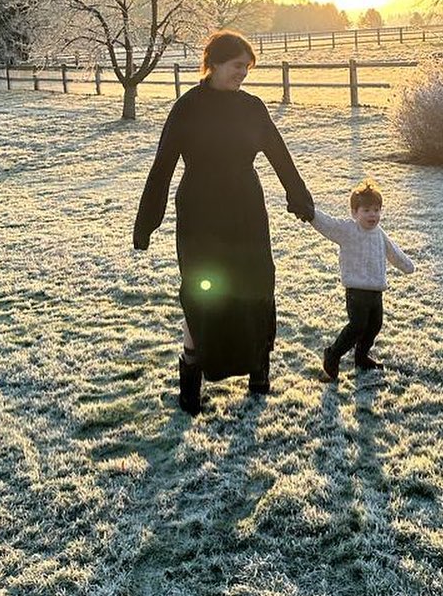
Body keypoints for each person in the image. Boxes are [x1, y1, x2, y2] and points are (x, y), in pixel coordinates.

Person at [133, 30, 314, 415]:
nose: (243, 75)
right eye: (237, 66)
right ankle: (192, 381)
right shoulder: (187, 108)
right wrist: (147, 220)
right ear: (213, 64)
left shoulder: (253, 108)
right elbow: (162, 165)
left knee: (255, 285)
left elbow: (280, 155)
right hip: (200, 214)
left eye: (247, 68)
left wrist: (298, 195)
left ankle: (258, 369)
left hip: (246, 211)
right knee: (202, 292)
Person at [308, 179, 414, 380]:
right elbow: (327, 224)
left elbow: (393, 253)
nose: (372, 215)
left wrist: (407, 266)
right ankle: (332, 354)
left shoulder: (379, 234)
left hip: (376, 291)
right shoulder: (348, 231)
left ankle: (361, 356)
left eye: (376, 210)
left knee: (374, 325)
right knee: (357, 326)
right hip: (356, 291)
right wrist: (310, 213)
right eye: (366, 210)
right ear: (354, 213)